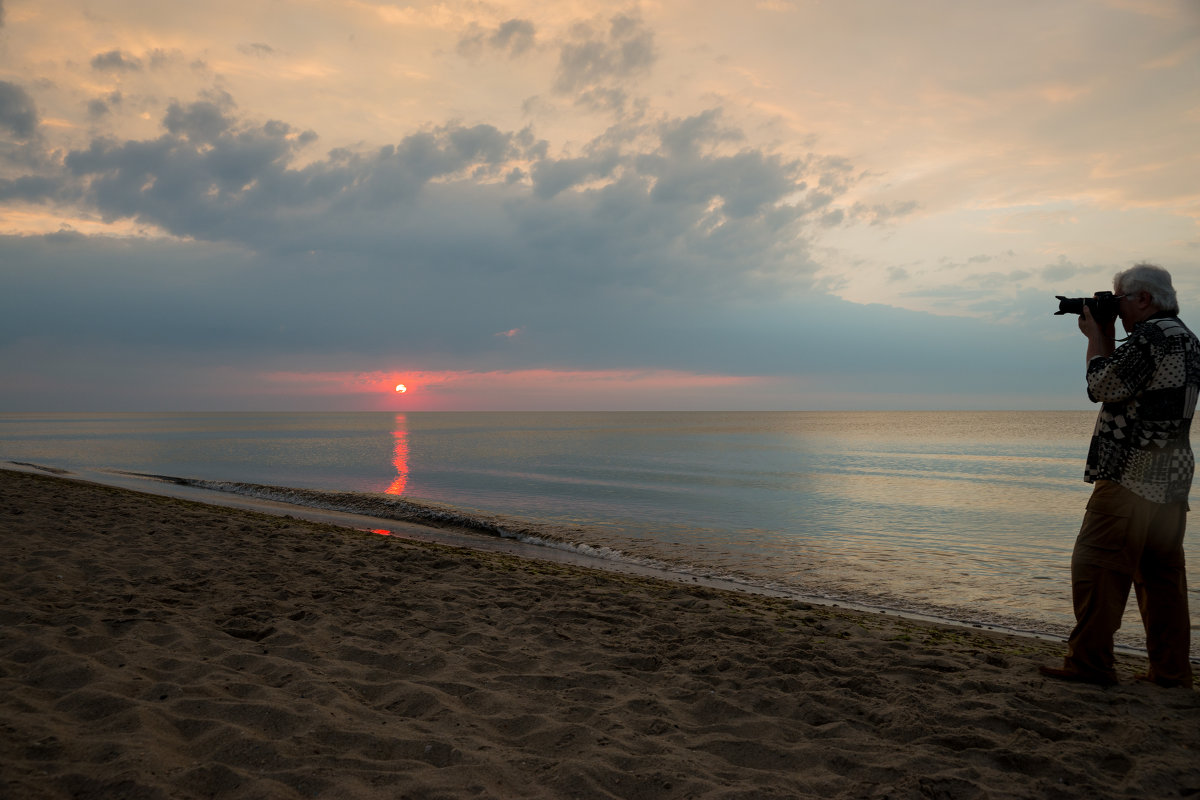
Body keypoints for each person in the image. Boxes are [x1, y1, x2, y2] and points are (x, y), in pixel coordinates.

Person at [1040, 263, 1198, 688]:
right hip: (1172, 473)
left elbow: (1103, 387)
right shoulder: (1186, 338)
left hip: (1131, 470)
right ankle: (1170, 673)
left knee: (1097, 566)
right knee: (1161, 578)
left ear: (1144, 299)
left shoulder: (1150, 337)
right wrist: (1109, 332)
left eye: (1121, 299)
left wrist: (1097, 338)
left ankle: (1090, 664)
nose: (1117, 308)